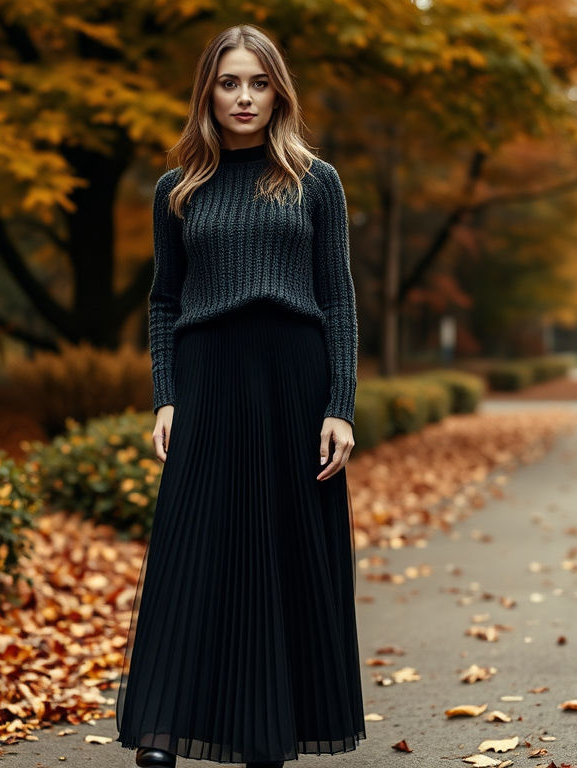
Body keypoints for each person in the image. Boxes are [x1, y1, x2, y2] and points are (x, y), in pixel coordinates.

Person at [115, 23, 365, 768]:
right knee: (193, 550)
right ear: (208, 94)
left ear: (277, 91)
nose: (245, 97)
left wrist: (340, 405)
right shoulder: (177, 189)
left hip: (293, 379)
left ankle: (268, 734)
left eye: (258, 82)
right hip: (208, 378)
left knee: (281, 551)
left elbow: (340, 299)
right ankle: (162, 725)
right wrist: (166, 394)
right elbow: (163, 301)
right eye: (230, 83)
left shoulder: (316, 181)